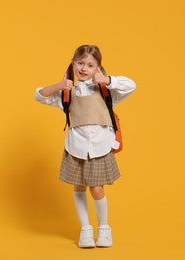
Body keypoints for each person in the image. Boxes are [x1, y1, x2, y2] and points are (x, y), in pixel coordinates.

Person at [35, 45, 136, 248]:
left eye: (90, 65)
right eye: (80, 63)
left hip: (100, 146)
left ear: (97, 67)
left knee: (97, 189)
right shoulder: (68, 92)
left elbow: (131, 85)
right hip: (76, 147)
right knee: (79, 187)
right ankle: (85, 230)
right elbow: (40, 95)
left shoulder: (106, 91)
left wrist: (106, 80)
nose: (84, 68)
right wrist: (60, 85)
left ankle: (104, 228)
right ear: (73, 62)